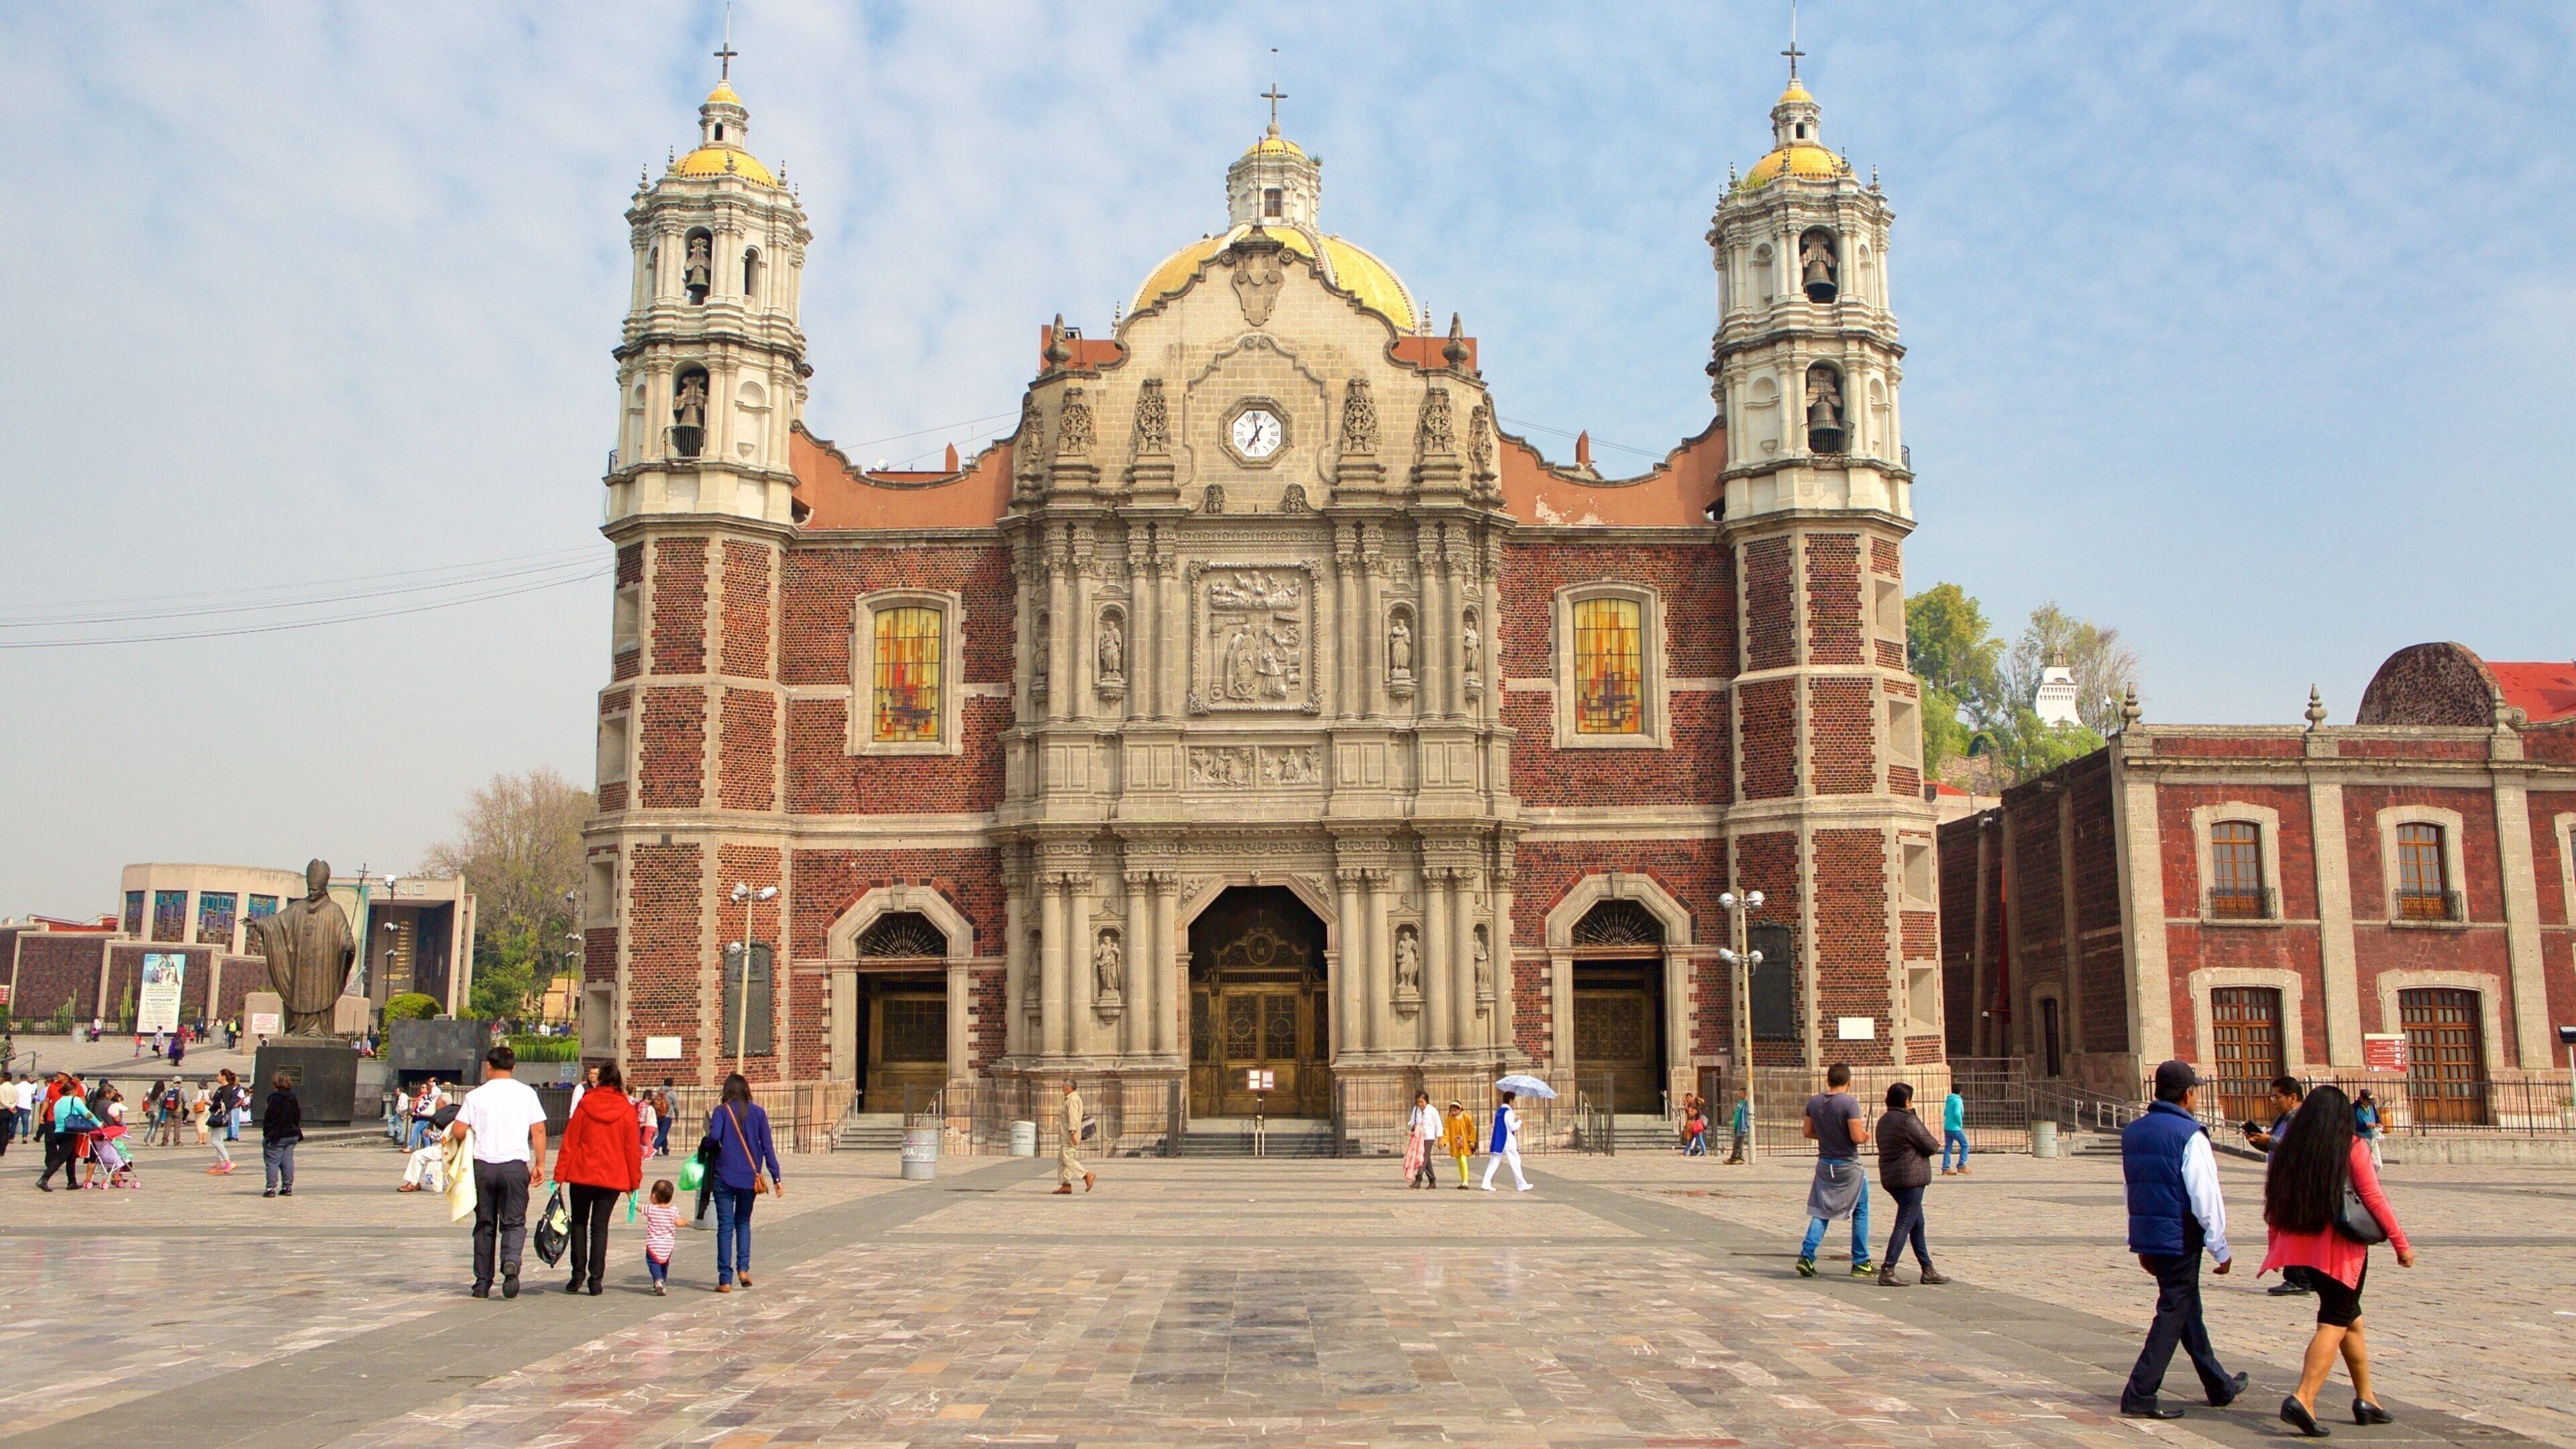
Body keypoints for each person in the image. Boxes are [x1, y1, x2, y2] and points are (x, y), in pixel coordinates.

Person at [2259, 1083, 2414, 1436]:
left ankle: (2367, 1399)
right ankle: (2304, 1397)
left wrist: (2275, 1245)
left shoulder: (2292, 1150)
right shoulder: (2352, 1146)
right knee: (2334, 1320)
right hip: (2342, 1248)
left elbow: (2274, 1201)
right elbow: (2374, 1198)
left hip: (2308, 1246)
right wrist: (2400, 1243)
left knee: (2350, 1318)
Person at [2118, 1059, 2248, 1421]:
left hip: (2153, 1233)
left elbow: (2132, 1189)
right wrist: (2218, 1244)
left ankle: (2219, 1385)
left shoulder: (2134, 1132)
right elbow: (2205, 1194)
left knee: (2187, 1309)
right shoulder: (2189, 1134)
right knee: (2174, 1311)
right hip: (2181, 1235)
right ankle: (2140, 1392)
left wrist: (2141, 1241)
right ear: (2188, 1094)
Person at [449, 1044, 550, 1300]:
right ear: (514, 1067)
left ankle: (482, 1283)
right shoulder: (527, 1094)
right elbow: (538, 1131)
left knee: (484, 1224)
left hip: (483, 1166)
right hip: (515, 1166)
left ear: (488, 1067)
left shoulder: (476, 1096)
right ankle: (511, 1260)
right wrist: (540, 1164)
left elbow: (459, 1131)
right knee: (514, 1222)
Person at [555, 1060, 644, 1295]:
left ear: (599, 1079)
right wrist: (634, 1183)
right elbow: (632, 1150)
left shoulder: (586, 1104)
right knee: (600, 1226)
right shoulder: (627, 1110)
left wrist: (559, 1175)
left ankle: (577, 1276)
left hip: (582, 1173)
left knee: (579, 1223)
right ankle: (596, 1280)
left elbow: (570, 1141)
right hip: (612, 1177)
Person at [700, 1072, 780, 1291]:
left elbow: (714, 1137)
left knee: (725, 1227)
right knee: (743, 1222)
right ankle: (743, 1268)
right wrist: (776, 1177)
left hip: (724, 1175)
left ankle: (725, 1279)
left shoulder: (721, 1111)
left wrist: (706, 1143)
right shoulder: (759, 1113)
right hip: (749, 1177)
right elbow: (768, 1147)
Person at [1796, 1063, 1874, 1278]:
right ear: (1849, 1082)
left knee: (1821, 1210)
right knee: (1860, 1210)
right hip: (1848, 1164)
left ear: (1827, 1081)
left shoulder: (1814, 1102)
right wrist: (1865, 1136)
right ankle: (1860, 1260)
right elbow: (1856, 1137)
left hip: (1825, 1163)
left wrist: (1828, 1136)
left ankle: (1807, 1255)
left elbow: (1808, 1132)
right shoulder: (1850, 1103)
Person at [1874, 1082, 1946, 1286]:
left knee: (1917, 1223)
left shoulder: (1884, 1120)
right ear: (1907, 1101)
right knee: (1905, 1222)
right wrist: (1912, 1114)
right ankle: (1888, 1269)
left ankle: (1927, 1269)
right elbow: (1930, 1145)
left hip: (1892, 1178)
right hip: (1910, 1179)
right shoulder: (1908, 1120)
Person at [260, 1071, 302, 1197]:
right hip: (292, 1133)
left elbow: (271, 1118)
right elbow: (297, 1116)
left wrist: (268, 1134)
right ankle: (287, 1187)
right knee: (287, 1160)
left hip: (278, 1134)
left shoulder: (275, 1098)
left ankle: (270, 1188)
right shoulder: (293, 1097)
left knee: (272, 1161)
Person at [1480, 1090, 1531, 1191]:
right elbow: (1512, 1127)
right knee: (1515, 1161)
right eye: (1514, 1101)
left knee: (1494, 1162)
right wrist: (1520, 1121)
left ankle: (1486, 1182)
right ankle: (1521, 1184)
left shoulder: (1499, 1111)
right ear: (1511, 1100)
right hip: (1508, 1141)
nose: (1514, 1103)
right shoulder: (1508, 1112)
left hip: (1499, 1140)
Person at [1054, 1079, 1093, 1195]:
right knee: (1062, 1160)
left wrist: (1072, 1133)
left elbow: (1073, 1118)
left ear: (1069, 1087)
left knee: (1067, 1159)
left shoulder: (1073, 1100)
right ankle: (1066, 1184)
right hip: (1065, 1136)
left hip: (1069, 1136)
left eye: (1063, 1087)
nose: (1062, 1089)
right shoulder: (1070, 1099)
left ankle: (1087, 1175)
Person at [641, 1179, 680, 1295]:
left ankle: (658, 1280)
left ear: (654, 1196)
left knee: (653, 1263)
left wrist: (630, 1195)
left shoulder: (651, 1209)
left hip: (654, 1244)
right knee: (664, 1263)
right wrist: (686, 1222)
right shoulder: (673, 1210)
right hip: (667, 1245)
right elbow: (678, 1222)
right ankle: (663, 1281)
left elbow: (637, 1206)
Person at [205, 1070, 239, 1175]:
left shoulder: (227, 1089)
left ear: (224, 1077)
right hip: (217, 1115)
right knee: (219, 1140)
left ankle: (228, 1161)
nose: (217, 1077)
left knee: (215, 1141)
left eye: (218, 1075)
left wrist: (212, 1105)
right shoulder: (221, 1088)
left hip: (220, 1116)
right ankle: (219, 1163)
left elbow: (224, 1104)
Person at [1404, 1091, 1440, 1189]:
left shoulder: (1432, 1110)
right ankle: (1432, 1180)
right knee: (1426, 1158)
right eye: (1418, 1102)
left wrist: (1440, 1138)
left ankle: (1418, 1179)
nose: (1420, 1104)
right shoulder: (1416, 1110)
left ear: (1426, 1101)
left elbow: (1438, 1124)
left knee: (1422, 1157)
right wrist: (1414, 1126)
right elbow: (1412, 1121)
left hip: (1429, 1137)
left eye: (1422, 1102)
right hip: (1419, 1137)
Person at [1441, 1099, 1477, 1189]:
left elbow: (1472, 1130)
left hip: (1465, 1143)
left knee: (1463, 1160)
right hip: (1456, 1143)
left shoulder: (1466, 1117)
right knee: (1460, 1162)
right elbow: (1446, 1132)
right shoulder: (1449, 1119)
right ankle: (1463, 1181)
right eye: (1452, 1110)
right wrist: (1443, 1141)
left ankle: (1466, 1182)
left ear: (1460, 1109)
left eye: (1455, 1110)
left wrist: (1472, 1141)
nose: (1453, 1112)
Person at [1940, 1085, 1970, 1175]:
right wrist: (1960, 1123)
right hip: (1955, 1128)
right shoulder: (1957, 1100)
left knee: (1948, 1148)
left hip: (1947, 1127)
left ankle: (1945, 1168)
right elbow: (1957, 1113)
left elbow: (1945, 1112)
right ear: (1960, 1092)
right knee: (1965, 1145)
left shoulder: (1949, 1099)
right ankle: (1961, 1165)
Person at [2353, 1089, 2383, 1170]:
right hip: (2361, 1139)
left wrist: (2378, 1123)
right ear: (2362, 1100)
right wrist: (2365, 1125)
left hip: (2372, 1137)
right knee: (2364, 1164)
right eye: (2368, 1102)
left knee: (2378, 1165)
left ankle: (2370, 1178)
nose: (2370, 1103)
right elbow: (2352, 1124)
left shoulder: (2371, 1106)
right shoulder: (2354, 1108)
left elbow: (2376, 1117)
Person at [1726, 1095, 1751, 1165]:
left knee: (1737, 1143)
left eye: (1741, 1093)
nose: (1739, 1095)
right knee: (1739, 1143)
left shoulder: (1746, 1103)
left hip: (1742, 1125)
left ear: (1745, 1094)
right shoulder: (1741, 1102)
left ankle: (1733, 1158)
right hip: (1737, 1125)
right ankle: (1740, 1158)